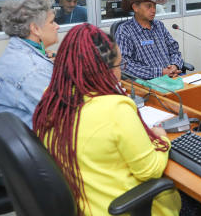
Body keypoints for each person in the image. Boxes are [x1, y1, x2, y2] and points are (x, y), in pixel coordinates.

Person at [32, 24, 182, 216]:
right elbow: (150, 171)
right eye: (120, 65)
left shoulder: (52, 98)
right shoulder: (115, 108)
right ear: (104, 70)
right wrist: (162, 139)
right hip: (125, 208)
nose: (121, 72)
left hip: (83, 204)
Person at [0, 0, 59, 128]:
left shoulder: (16, 52)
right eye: (52, 22)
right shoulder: (35, 71)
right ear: (35, 29)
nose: (57, 27)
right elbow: (63, 115)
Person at [116, 0, 184, 80]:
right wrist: (161, 72)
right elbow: (125, 65)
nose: (154, 10)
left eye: (154, 6)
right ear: (136, 8)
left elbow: (174, 50)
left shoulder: (159, 25)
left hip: (173, 76)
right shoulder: (124, 31)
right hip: (149, 82)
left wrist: (175, 65)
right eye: (148, 6)